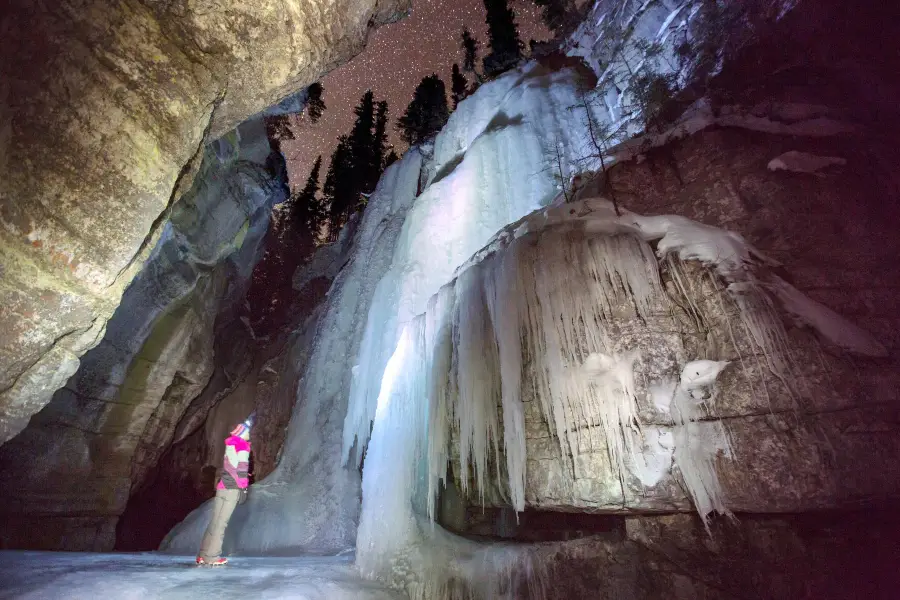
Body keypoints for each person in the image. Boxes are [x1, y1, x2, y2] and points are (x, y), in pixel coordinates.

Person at [196, 413, 254, 566]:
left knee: (214, 522)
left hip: (222, 487)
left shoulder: (230, 445)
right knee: (222, 524)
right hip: (232, 489)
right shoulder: (242, 446)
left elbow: (229, 467)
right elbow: (241, 468)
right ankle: (213, 557)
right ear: (243, 434)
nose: (249, 434)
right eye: (247, 432)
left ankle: (202, 555)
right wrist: (243, 487)